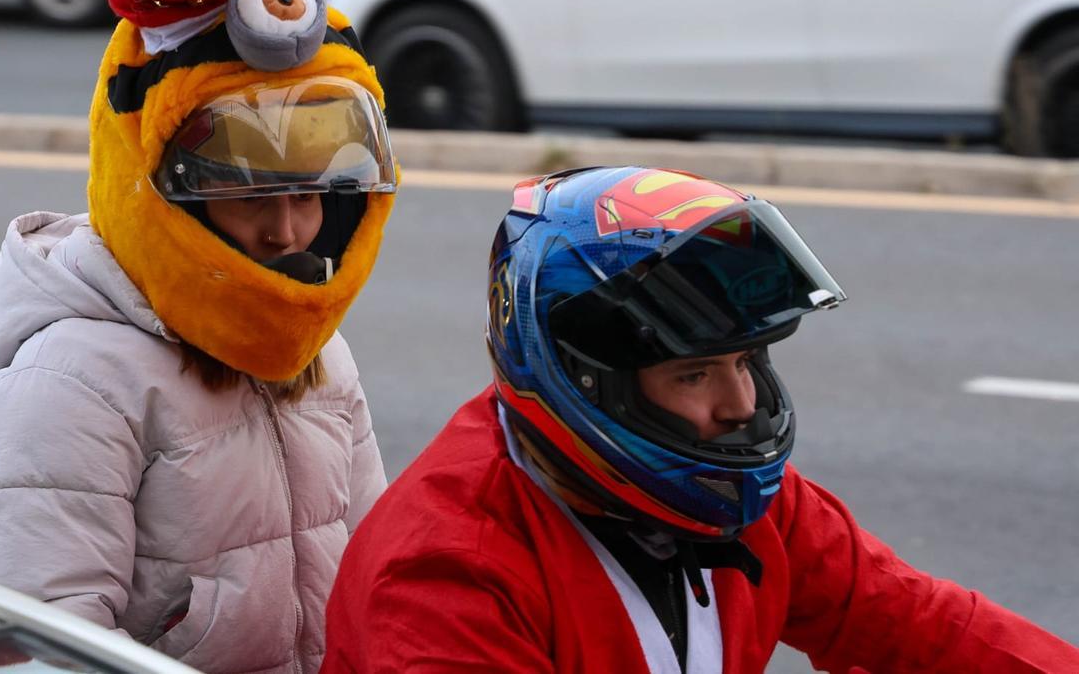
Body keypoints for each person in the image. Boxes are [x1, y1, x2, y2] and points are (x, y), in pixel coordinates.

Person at [322, 166, 1079, 673]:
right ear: (587, 380)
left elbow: (917, 622)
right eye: (694, 372)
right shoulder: (445, 577)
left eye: (746, 362)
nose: (740, 406)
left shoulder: (734, 501)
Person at [0, 0, 398, 673]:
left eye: (314, 194)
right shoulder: (65, 387)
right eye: (248, 196)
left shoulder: (314, 343)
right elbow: (31, 655)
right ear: (163, 193)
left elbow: (375, 583)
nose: (289, 230)